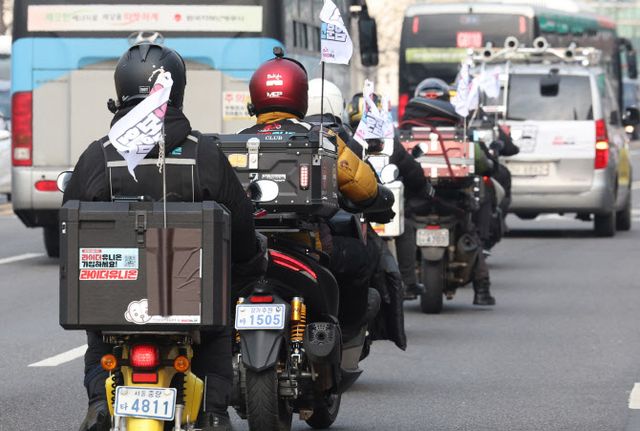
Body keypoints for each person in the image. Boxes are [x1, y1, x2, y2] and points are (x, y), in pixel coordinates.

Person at [64, 42, 264, 431]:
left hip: (116, 301)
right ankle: (214, 412)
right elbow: (241, 230)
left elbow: (69, 230)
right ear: (177, 91)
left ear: (120, 92)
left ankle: (99, 403)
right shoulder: (204, 154)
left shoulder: (98, 155)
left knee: (99, 335)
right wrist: (248, 263)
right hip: (185, 295)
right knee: (218, 325)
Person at [241, 49, 381, 338]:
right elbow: (363, 186)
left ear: (255, 97)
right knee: (360, 256)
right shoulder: (322, 138)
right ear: (300, 96)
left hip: (248, 249)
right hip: (307, 248)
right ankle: (348, 332)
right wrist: (378, 199)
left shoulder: (238, 139)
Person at [396, 78, 496, 306]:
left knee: (397, 233)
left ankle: (404, 283)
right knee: (471, 234)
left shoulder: (402, 133)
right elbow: (483, 163)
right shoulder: (461, 133)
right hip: (452, 201)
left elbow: (393, 160)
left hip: (416, 200)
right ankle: (482, 289)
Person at [347, 91, 436, 300]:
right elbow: (414, 174)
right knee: (405, 227)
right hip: (372, 208)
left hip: (351, 210)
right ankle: (409, 282)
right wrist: (423, 190)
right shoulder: (389, 144)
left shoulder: (345, 140)